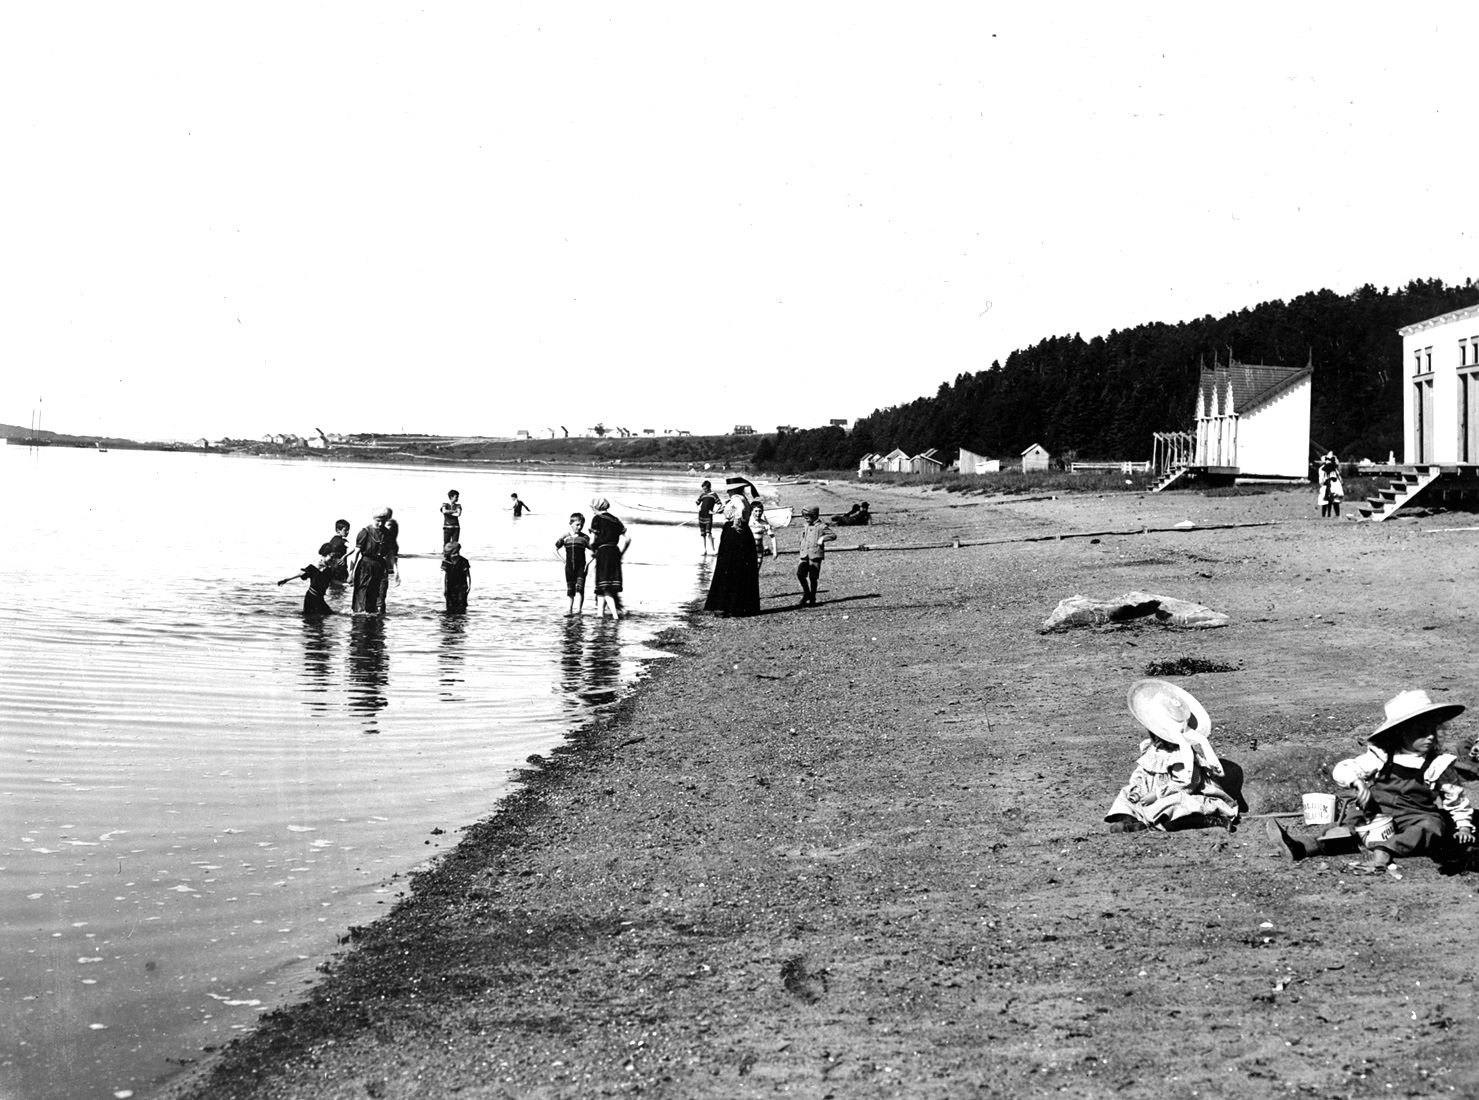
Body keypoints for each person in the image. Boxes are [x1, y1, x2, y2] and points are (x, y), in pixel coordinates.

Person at [1277, 689, 1474, 877]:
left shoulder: (1438, 764)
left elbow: (1454, 798)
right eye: (1421, 731)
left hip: (1415, 814)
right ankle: (1305, 845)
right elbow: (1344, 769)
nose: (1430, 737)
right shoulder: (1382, 757)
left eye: (1433, 730)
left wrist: (1463, 826)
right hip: (1377, 811)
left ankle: (1385, 850)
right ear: (1402, 733)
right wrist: (1358, 783)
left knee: (1432, 825)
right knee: (1353, 819)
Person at [1105, 679, 1241, 832]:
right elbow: (1142, 772)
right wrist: (1137, 789)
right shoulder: (1152, 749)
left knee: (1174, 806)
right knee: (1125, 795)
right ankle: (1130, 820)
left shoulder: (1181, 756)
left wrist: (1157, 794)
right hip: (1149, 794)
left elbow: (1187, 784)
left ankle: (1209, 819)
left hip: (1174, 794)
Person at [703, 479, 761, 617]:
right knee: (738, 567)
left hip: (734, 534)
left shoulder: (736, 498)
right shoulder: (741, 498)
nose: (727, 491)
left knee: (729, 566)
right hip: (743, 533)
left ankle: (726, 606)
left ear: (734, 489)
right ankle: (738, 606)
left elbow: (740, 509)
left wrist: (736, 522)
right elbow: (740, 509)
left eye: (729, 489)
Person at [588, 498, 630, 619]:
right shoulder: (615, 520)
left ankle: (614, 616)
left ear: (597, 507)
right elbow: (628, 538)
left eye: (592, 507)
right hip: (615, 553)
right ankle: (600, 614)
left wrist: (592, 549)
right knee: (604, 585)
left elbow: (592, 541)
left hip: (603, 553)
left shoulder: (597, 519)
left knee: (604, 585)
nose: (592, 510)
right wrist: (621, 553)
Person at [349, 508, 393, 614]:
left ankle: (377, 623)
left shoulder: (387, 533)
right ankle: (359, 618)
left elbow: (390, 554)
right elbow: (356, 553)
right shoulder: (365, 532)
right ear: (374, 519)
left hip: (380, 566)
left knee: (380, 595)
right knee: (362, 593)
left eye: (383, 521)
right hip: (365, 565)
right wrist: (351, 573)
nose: (380, 523)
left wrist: (395, 572)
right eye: (378, 521)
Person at [795, 506, 836, 607]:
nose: (805, 518)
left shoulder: (822, 526)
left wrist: (823, 538)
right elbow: (803, 537)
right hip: (804, 554)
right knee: (800, 574)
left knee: (813, 578)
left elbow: (833, 535)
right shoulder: (806, 525)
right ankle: (807, 593)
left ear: (814, 515)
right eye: (804, 516)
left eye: (807, 516)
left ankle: (812, 597)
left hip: (815, 555)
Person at [554, 512, 591, 616]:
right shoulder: (565, 537)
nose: (579, 527)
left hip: (581, 567)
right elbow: (554, 549)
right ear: (571, 524)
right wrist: (563, 560)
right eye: (577, 525)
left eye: (581, 525)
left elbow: (595, 552)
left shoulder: (585, 538)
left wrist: (588, 564)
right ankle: (569, 610)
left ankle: (579, 610)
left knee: (580, 589)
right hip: (569, 567)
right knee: (570, 589)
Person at [377, 509, 401, 608]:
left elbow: (393, 558)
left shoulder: (391, 542)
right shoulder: (390, 525)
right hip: (376, 567)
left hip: (382, 568)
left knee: (380, 598)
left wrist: (397, 574)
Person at [441, 540, 471, 613]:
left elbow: (468, 575)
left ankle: (460, 619)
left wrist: (469, 587)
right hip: (450, 587)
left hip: (462, 586)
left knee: (462, 605)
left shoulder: (464, 561)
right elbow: (443, 577)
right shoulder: (446, 562)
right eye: (453, 553)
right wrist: (444, 589)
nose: (455, 555)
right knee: (450, 606)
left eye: (457, 552)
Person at [695, 480, 722, 555]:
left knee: (708, 533)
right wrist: (698, 509)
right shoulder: (702, 495)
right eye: (703, 489)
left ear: (709, 487)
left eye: (705, 489)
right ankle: (704, 550)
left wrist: (714, 512)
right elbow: (697, 502)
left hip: (708, 516)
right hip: (701, 515)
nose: (704, 490)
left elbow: (720, 504)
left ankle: (713, 550)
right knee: (702, 534)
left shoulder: (714, 495)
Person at [322, 519, 352, 584]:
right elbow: (352, 548)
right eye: (345, 530)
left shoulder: (332, 540)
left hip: (332, 567)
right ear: (338, 530)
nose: (348, 532)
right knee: (342, 586)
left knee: (333, 587)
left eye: (348, 530)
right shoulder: (343, 541)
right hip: (340, 568)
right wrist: (344, 556)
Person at [749, 500, 776, 568]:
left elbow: (772, 537)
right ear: (751, 511)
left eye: (760, 511)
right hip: (748, 550)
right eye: (756, 511)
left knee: (756, 571)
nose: (758, 513)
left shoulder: (764, 524)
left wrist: (775, 551)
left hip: (759, 551)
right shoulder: (748, 522)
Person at [1318, 454, 1343, 518]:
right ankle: (1337, 514)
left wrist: (1322, 483)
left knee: (1325, 500)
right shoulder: (1335, 468)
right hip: (1335, 484)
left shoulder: (1322, 469)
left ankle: (1324, 515)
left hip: (1327, 484)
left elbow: (1321, 479)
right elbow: (1339, 477)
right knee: (1335, 500)